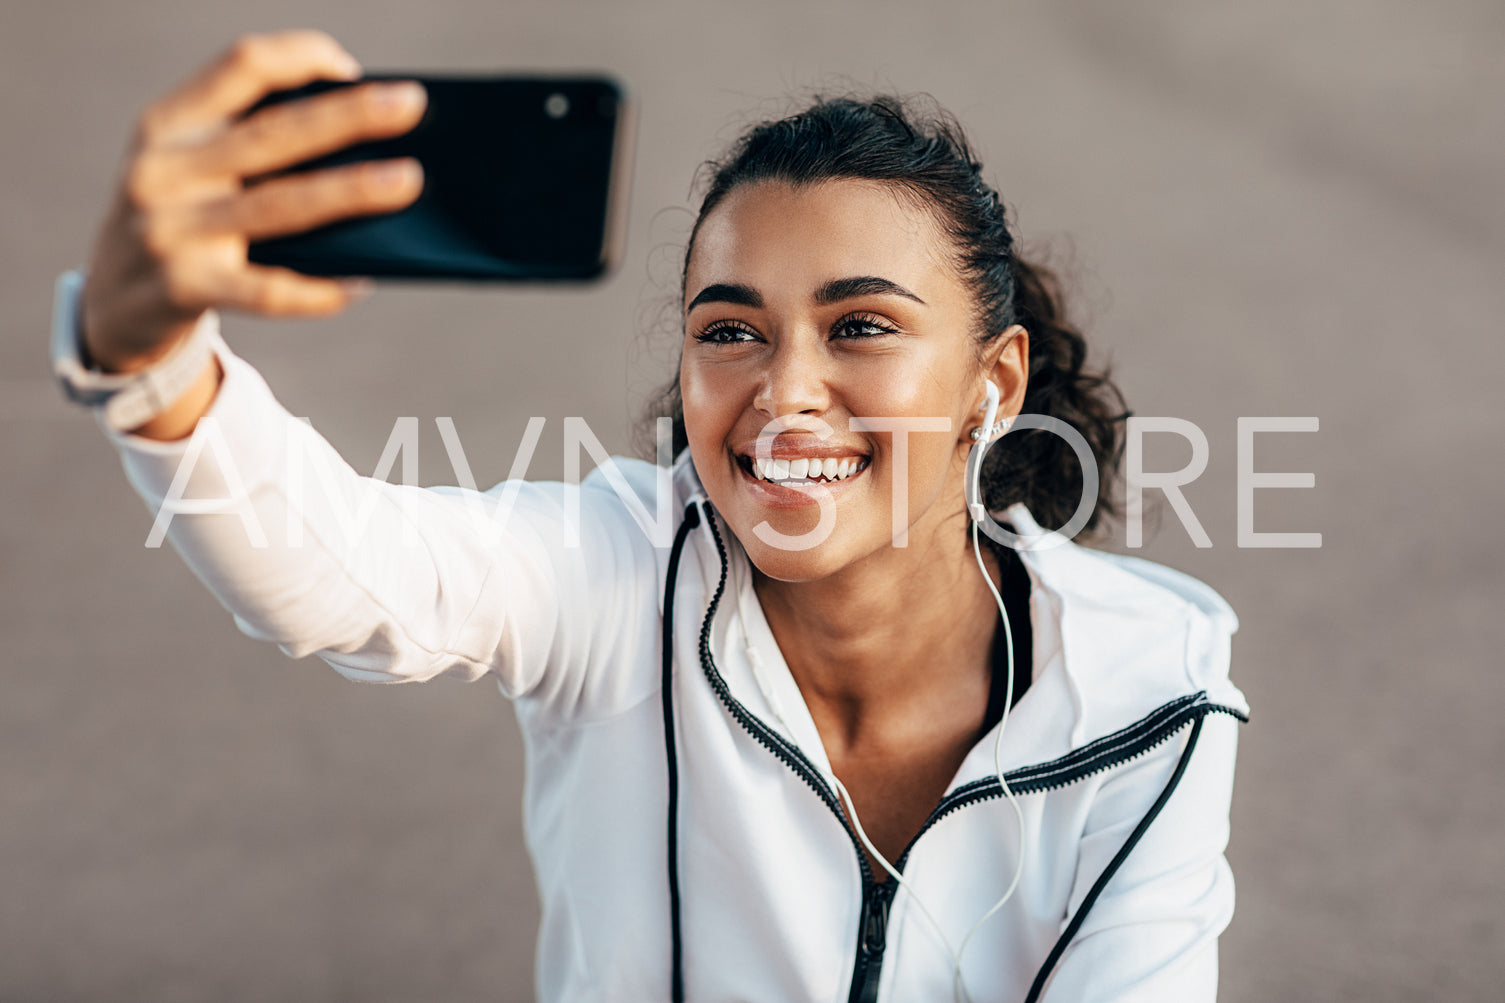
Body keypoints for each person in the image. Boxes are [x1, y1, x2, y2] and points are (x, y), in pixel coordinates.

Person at [57, 30, 1248, 1003]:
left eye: (860, 326)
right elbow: (340, 574)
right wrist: (145, 355)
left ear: (990, 382)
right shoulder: (619, 573)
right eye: (729, 331)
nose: (781, 392)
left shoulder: (1154, 692)